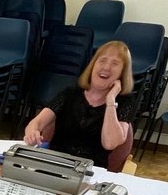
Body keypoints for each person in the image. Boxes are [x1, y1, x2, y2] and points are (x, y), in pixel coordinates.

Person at [22, 40, 137, 168]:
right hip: (54, 164)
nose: (106, 67)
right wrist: (32, 132)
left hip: (91, 171)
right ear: (93, 65)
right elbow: (36, 123)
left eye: (115, 63)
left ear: (122, 73)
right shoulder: (70, 93)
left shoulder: (125, 102)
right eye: (102, 60)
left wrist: (110, 101)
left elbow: (109, 143)